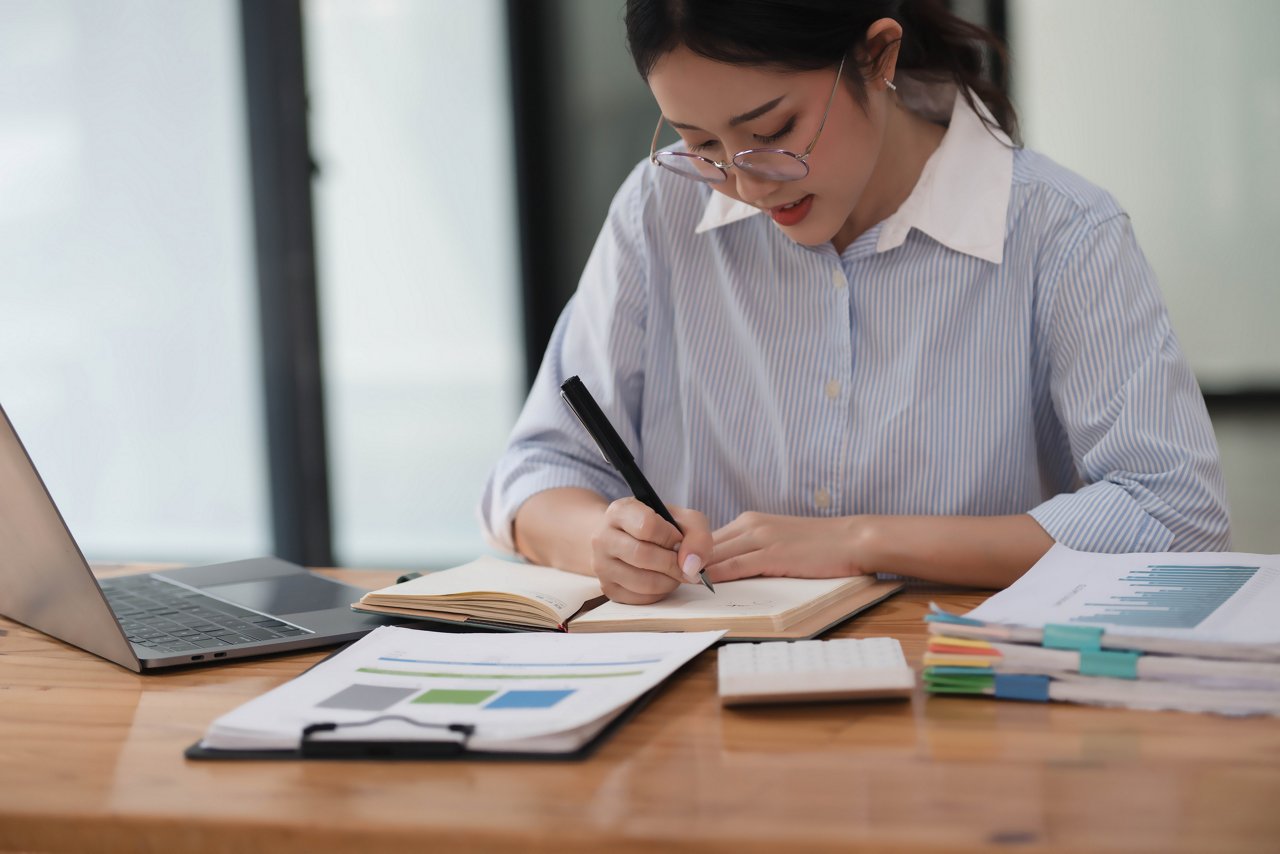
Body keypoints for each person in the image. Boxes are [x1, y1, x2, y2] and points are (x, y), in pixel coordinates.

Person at [480, 0, 1230, 604]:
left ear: (877, 55)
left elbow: (1173, 516)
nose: (746, 184)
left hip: (965, 702)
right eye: (701, 143)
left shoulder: (1060, 232)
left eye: (773, 132)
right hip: (694, 714)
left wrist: (861, 541)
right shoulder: (659, 210)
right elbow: (538, 472)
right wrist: (602, 542)